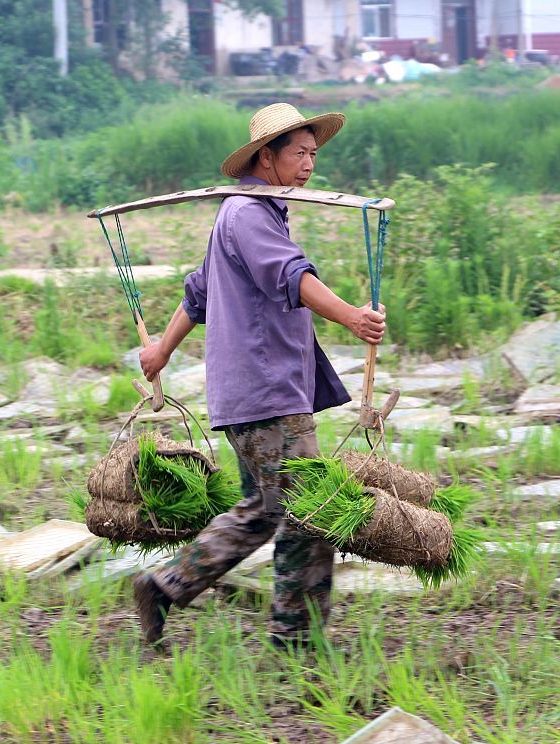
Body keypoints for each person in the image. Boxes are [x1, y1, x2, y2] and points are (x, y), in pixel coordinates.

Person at [131, 103, 386, 649]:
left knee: (264, 509)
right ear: (265, 157)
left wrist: (160, 351)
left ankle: (165, 585)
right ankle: (296, 635)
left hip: (254, 392)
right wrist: (352, 318)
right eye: (299, 153)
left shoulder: (251, 214)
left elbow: (198, 293)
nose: (310, 164)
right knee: (310, 508)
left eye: (314, 153)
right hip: (266, 390)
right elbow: (291, 276)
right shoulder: (247, 215)